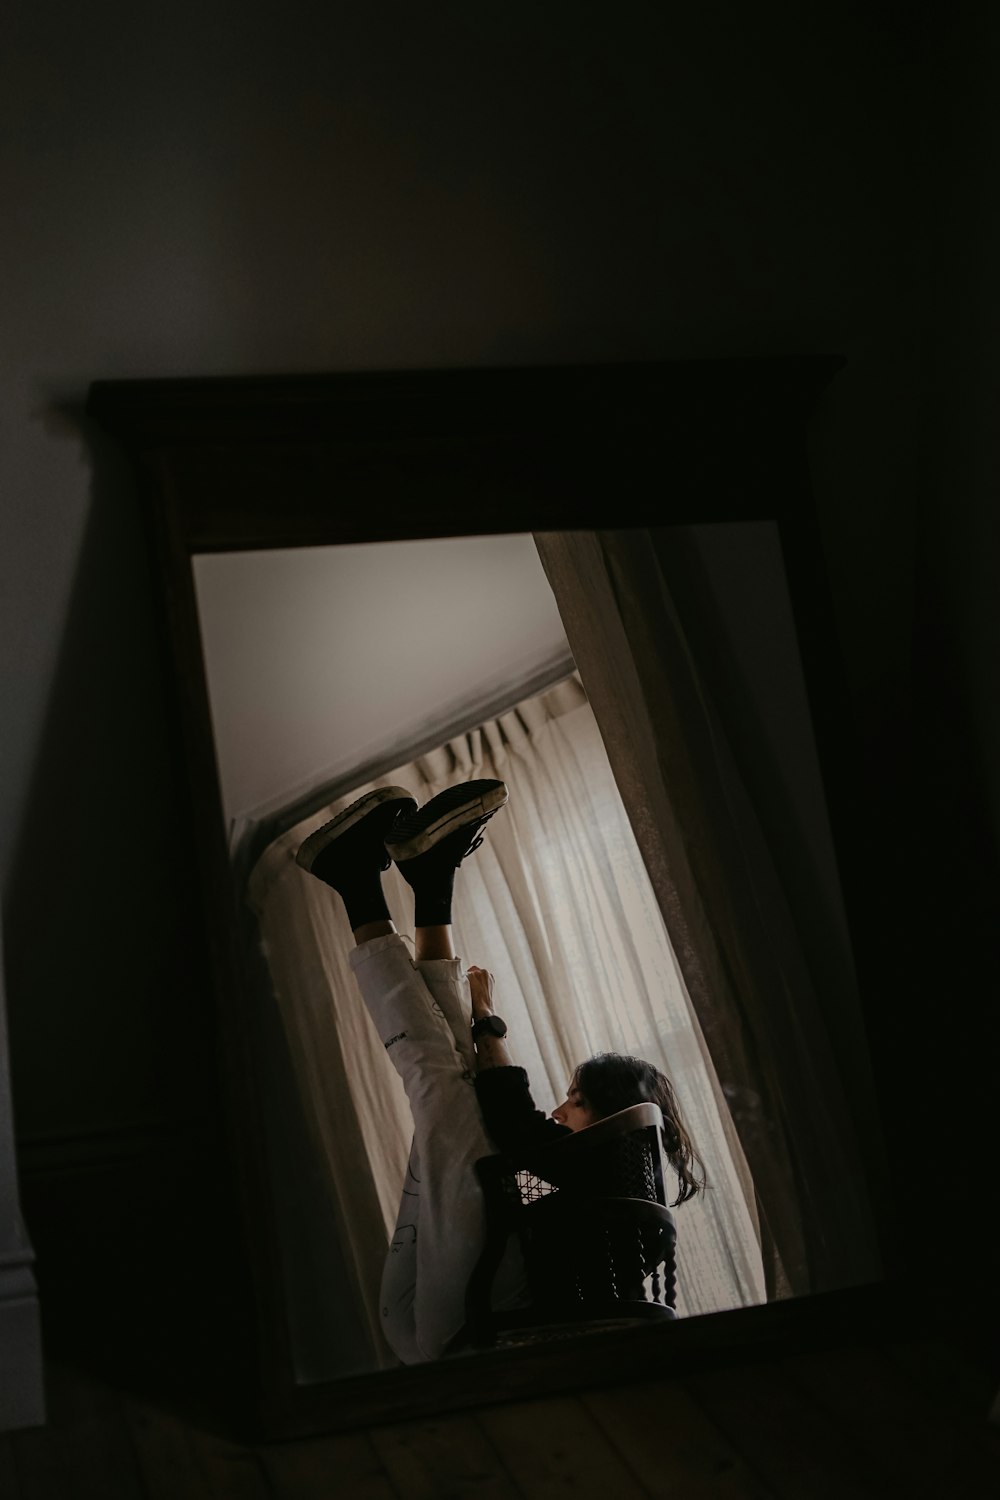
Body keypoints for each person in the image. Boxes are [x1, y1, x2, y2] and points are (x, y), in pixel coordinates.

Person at [295, 777, 705, 1364]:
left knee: (444, 1080)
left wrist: (488, 1019)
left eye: (577, 1101)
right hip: (457, 1300)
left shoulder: (586, 1177)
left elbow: (516, 1119)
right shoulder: (598, 1189)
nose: (562, 1111)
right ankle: (423, 880)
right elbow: (521, 1161)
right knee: (456, 1087)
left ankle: (371, 882)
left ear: (611, 1115)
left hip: (460, 1317)